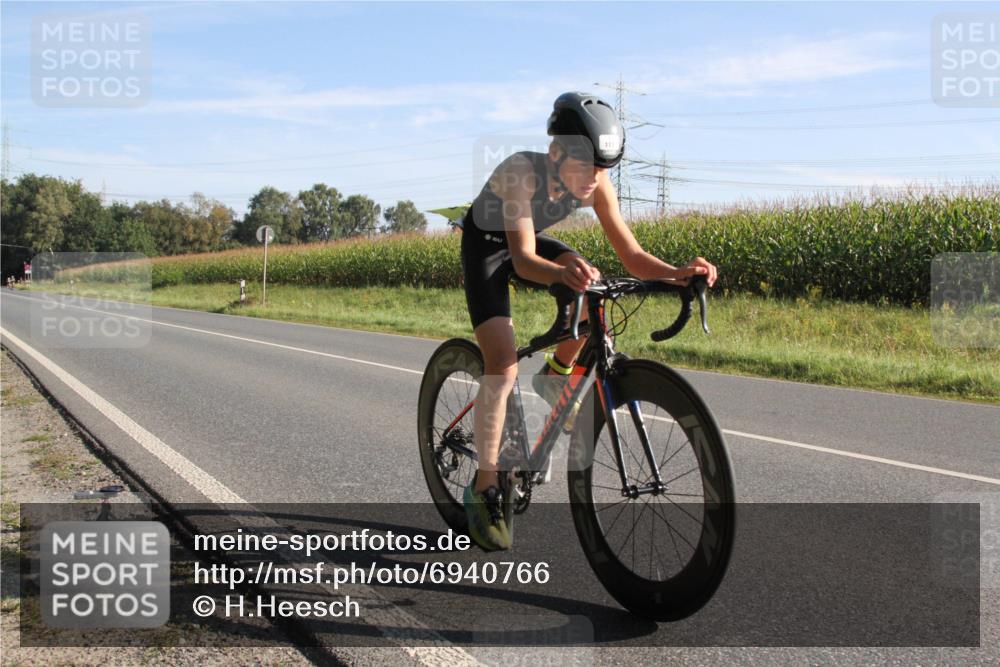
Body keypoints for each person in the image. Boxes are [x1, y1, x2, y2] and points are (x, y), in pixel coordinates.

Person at [459, 91, 718, 551]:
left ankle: (555, 381)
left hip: (533, 243)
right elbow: (521, 260)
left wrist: (678, 274)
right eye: (587, 166)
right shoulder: (521, 171)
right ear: (557, 153)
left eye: (604, 169)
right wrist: (561, 272)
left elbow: (632, 256)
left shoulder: (597, 184)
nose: (595, 179)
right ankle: (484, 487)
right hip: (489, 247)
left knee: (593, 296)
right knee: (502, 364)